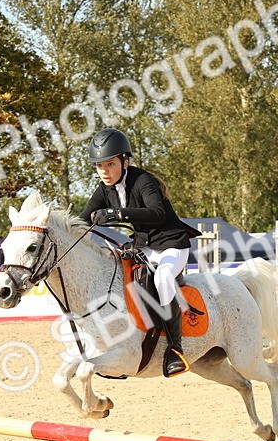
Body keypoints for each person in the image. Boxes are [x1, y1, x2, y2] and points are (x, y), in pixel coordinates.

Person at [77, 128, 201, 377]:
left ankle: (175, 349)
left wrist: (116, 214)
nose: (104, 171)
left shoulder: (143, 180)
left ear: (125, 161)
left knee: (163, 278)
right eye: (99, 166)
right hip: (144, 247)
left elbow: (157, 214)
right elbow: (81, 221)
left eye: (110, 164)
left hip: (171, 246)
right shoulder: (104, 190)